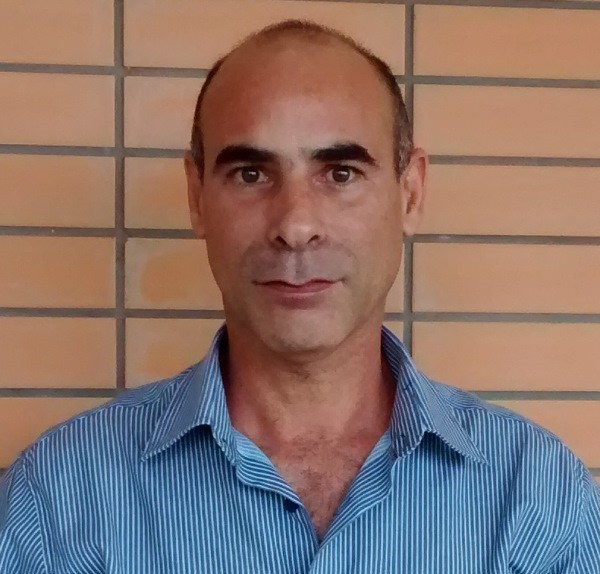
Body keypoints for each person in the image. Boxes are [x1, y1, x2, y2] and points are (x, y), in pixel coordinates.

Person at [1, 19, 598, 573]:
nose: (296, 225)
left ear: (410, 194)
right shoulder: (61, 498)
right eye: (251, 174)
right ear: (196, 196)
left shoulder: (539, 496)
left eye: (340, 173)